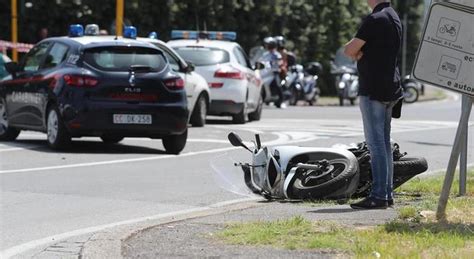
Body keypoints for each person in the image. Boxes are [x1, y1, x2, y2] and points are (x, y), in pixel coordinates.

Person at [344, 0, 403, 209]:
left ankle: (378, 196)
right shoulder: (393, 16)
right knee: (384, 144)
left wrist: (359, 54)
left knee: (376, 144)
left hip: (373, 89)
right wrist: (361, 52)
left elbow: (350, 49)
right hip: (390, 87)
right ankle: (386, 194)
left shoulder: (374, 19)